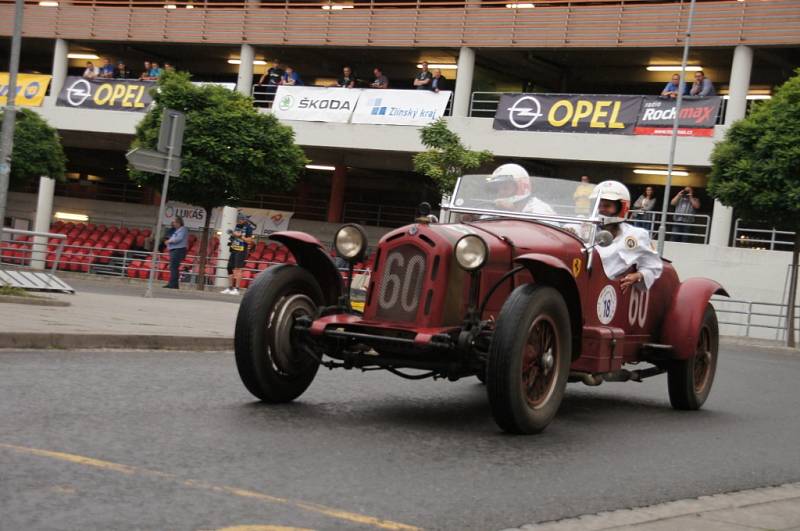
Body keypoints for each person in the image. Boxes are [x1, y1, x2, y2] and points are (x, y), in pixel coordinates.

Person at [590, 181, 663, 292]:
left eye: (607, 206)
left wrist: (638, 275)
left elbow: (653, 266)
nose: (601, 209)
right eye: (597, 205)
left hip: (607, 292)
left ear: (622, 208)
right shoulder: (581, 229)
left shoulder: (637, 235)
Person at [487, 163, 556, 216]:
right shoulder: (495, 208)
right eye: (497, 189)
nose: (500, 192)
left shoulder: (540, 210)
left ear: (522, 187)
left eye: (505, 188)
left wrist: (513, 212)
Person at [222, 214, 254, 295]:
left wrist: (241, 237)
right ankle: (230, 288)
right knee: (229, 268)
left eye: (240, 220)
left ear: (244, 220)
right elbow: (235, 235)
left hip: (241, 250)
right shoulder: (237, 226)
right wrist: (232, 234)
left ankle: (237, 289)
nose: (238, 221)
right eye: (238, 220)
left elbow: (249, 241)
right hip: (234, 248)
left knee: (238, 269)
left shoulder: (249, 228)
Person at [164, 216, 188, 289]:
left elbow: (178, 239)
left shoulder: (183, 229)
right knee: (173, 267)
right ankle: (173, 283)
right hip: (175, 250)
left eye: (174, 222)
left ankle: (173, 284)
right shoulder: (177, 230)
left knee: (174, 267)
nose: (173, 223)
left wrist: (169, 241)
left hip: (178, 250)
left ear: (178, 223)